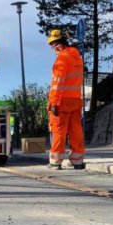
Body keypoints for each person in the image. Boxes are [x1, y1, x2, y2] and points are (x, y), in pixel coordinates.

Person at [47, 29, 85, 170]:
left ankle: (55, 162)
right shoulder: (77, 57)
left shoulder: (62, 59)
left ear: (61, 43)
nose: (53, 48)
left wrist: (55, 102)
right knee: (76, 131)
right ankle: (77, 160)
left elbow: (58, 82)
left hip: (62, 101)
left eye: (54, 44)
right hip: (75, 100)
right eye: (52, 46)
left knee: (59, 131)